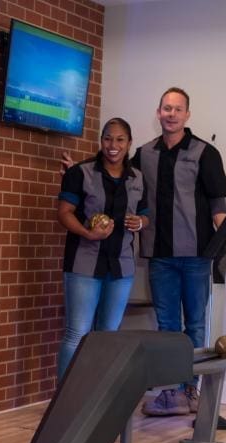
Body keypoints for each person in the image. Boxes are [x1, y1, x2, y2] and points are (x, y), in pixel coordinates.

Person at [64, 88, 226, 415]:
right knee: (167, 325)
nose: (171, 114)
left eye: (177, 109)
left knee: (195, 324)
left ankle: (191, 390)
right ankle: (171, 392)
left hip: (197, 256)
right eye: (166, 108)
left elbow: (218, 208)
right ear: (158, 113)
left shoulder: (205, 153)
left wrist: (224, 246)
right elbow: (115, 176)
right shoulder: (143, 154)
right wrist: (74, 174)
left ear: (187, 115)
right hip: (159, 256)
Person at [55, 117, 149, 380]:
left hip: (121, 267)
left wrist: (140, 222)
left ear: (129, 143)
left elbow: (146, 214)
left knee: (108, 335)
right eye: (108, 138)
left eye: (120, 139)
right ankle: (66, 402)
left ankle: (98, 400)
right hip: (84, 264)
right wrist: (87, 232)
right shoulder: (80, 173)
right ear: (101, 141)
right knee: (78, 333)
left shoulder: (138, 178)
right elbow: (64, 213)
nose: (113, 145)